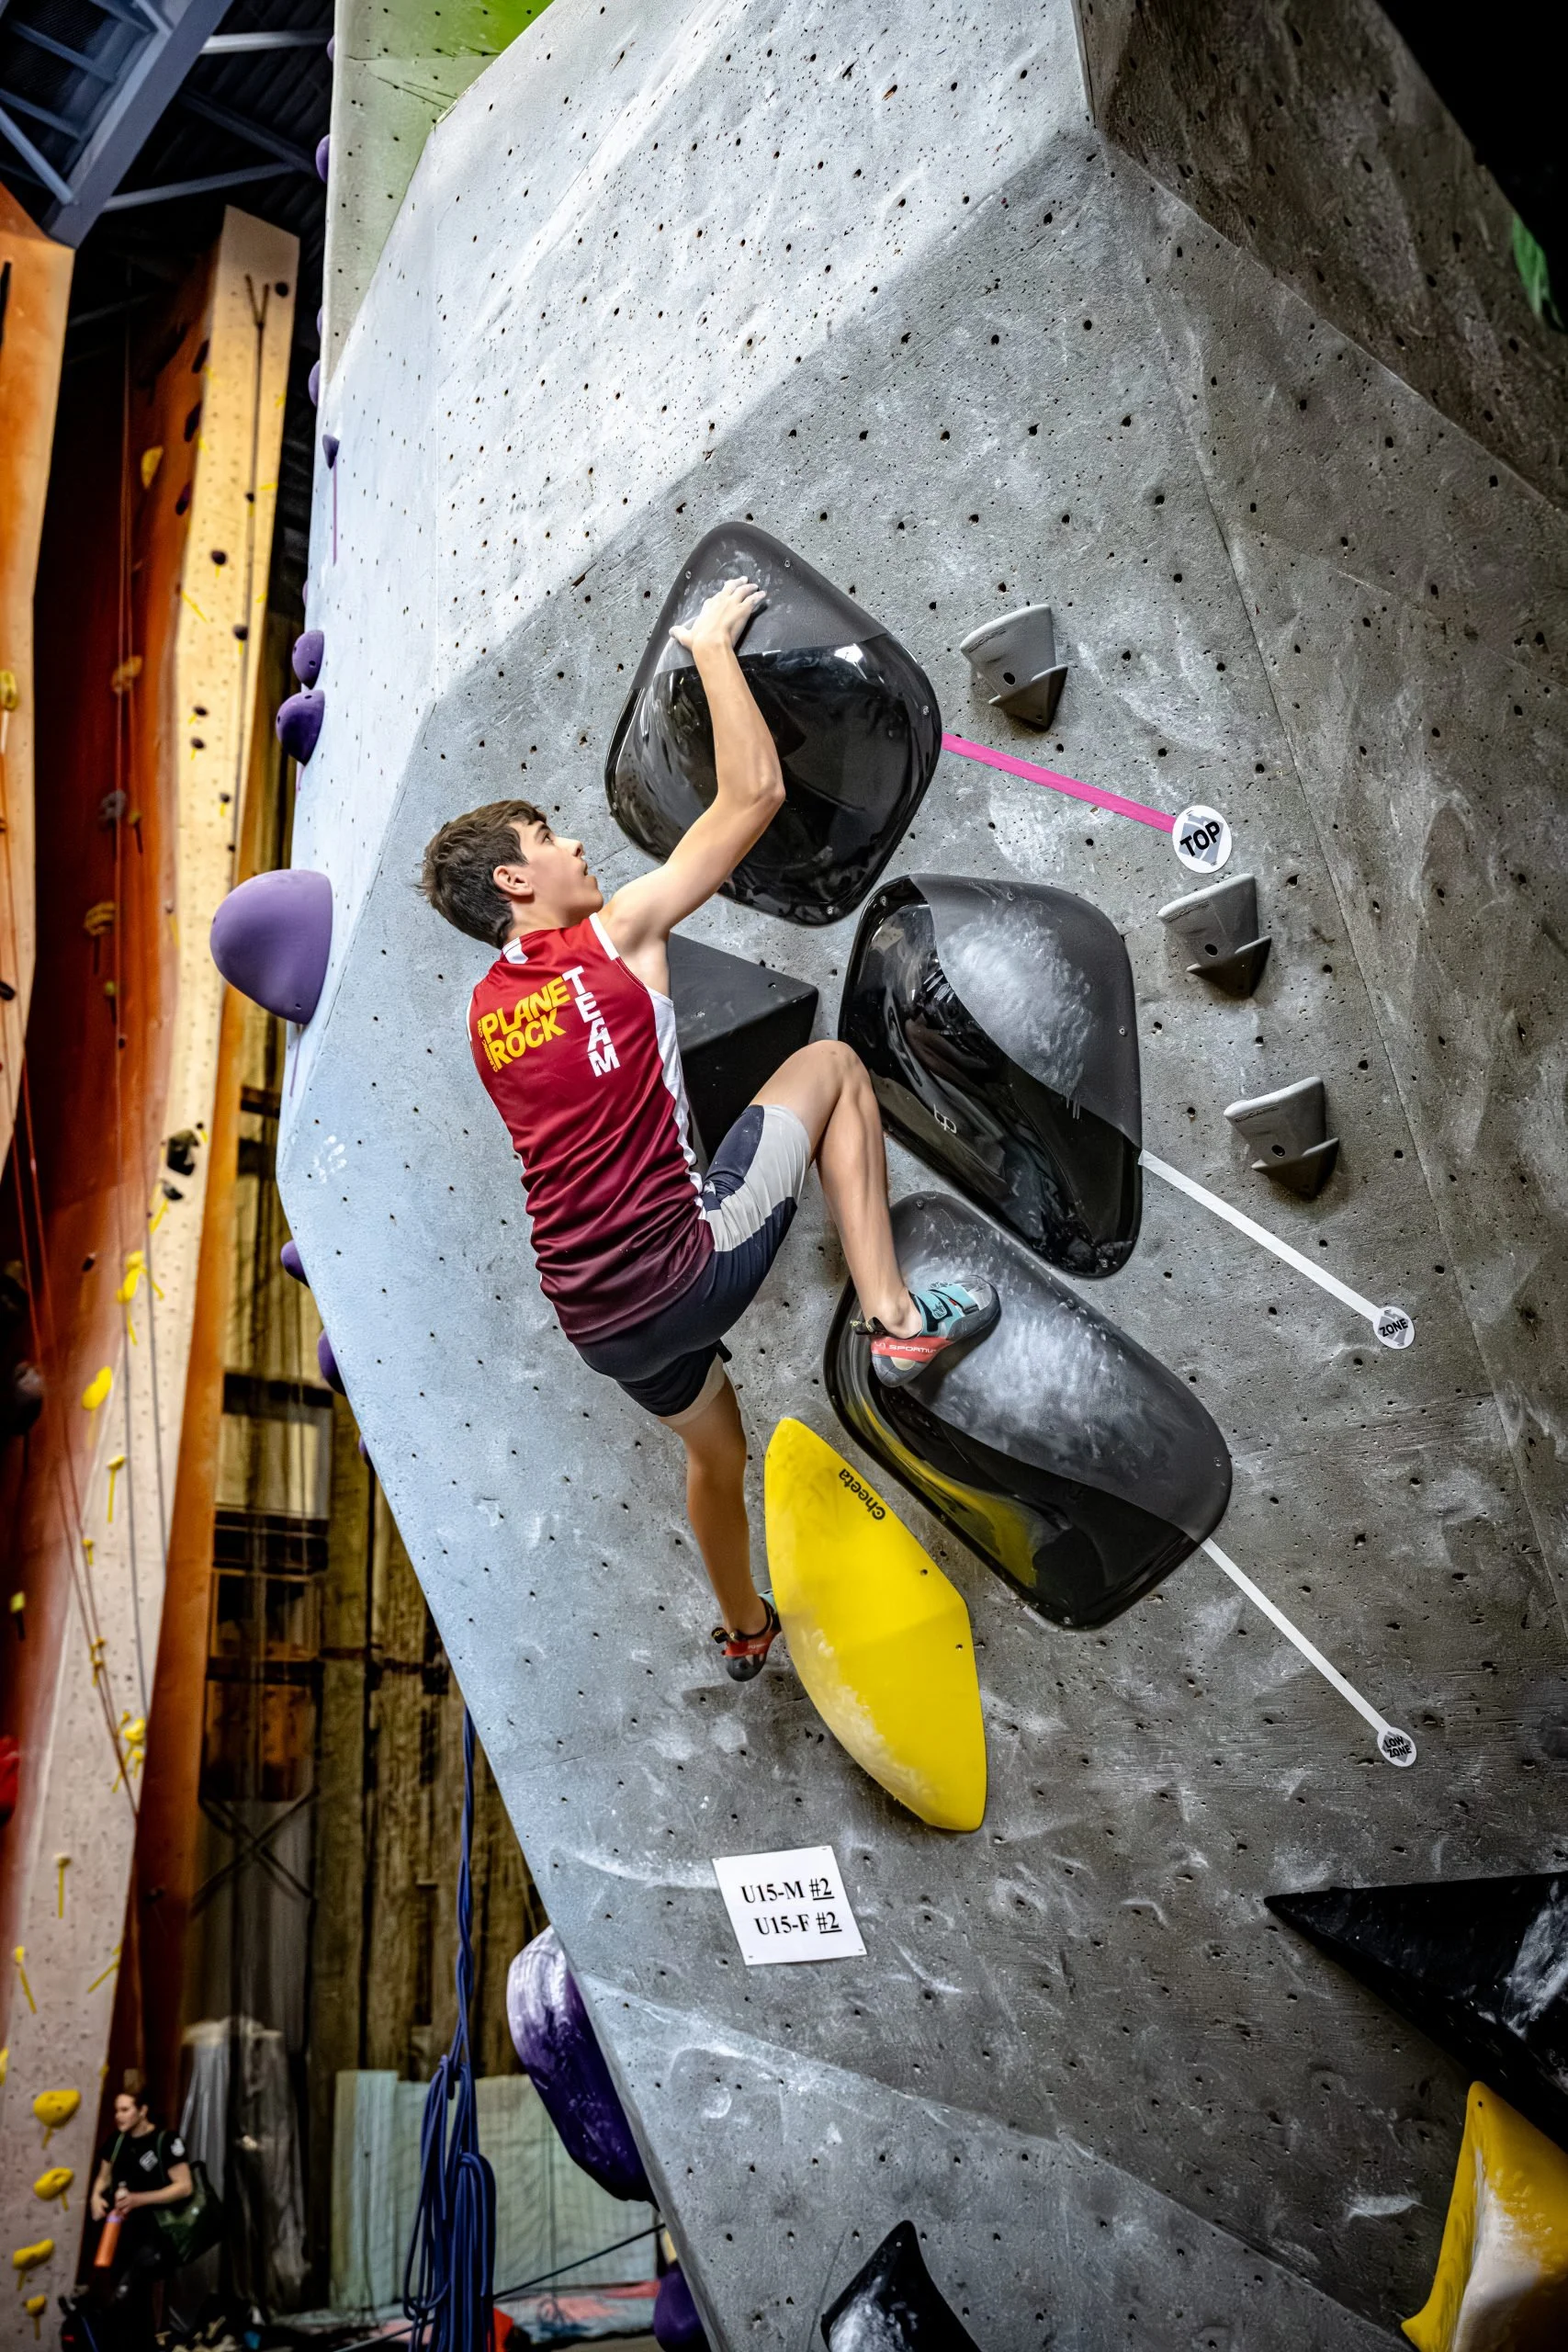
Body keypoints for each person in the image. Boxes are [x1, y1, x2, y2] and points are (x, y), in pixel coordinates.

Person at [420, 577, 999, 1678]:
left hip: (599, 1325)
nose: (575, 843)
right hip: (681, 1272)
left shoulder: (485, 1017)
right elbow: (754, 794)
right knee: (831, 1065)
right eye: (549, 836)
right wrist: (713, 647)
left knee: (715, 1447)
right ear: (513, 877)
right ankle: (895, 1318)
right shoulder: (616, 934)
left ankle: (744, 1629)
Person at [86, 2079, 192, 2335]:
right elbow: (104, 2177)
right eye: (116, 2110)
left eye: (125, 2110)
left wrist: (139, 2199)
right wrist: (95, 2197)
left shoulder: (165, 2141)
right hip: (120, 2231)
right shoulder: (117, 2141)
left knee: (134, 2295)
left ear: (142, 2110)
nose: (119, 2116)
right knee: (117, 2296)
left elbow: (184, 2186)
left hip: (153, 2233)